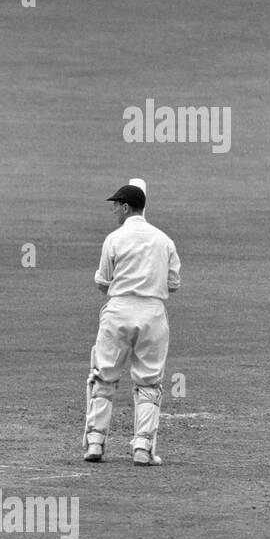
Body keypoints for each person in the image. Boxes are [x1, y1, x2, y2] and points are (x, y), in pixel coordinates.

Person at [83, 180, 180, 466]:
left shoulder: (114, 239)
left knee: (104, 377)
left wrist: (120, 284)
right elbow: (173, 284)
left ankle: (95, 443)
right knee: (149, 382)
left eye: (116, 207)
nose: (114, 211)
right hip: (152, 314)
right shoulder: (164, 240)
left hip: (118, 311)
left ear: (126, 207)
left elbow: (103, 281)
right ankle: (142, 448)